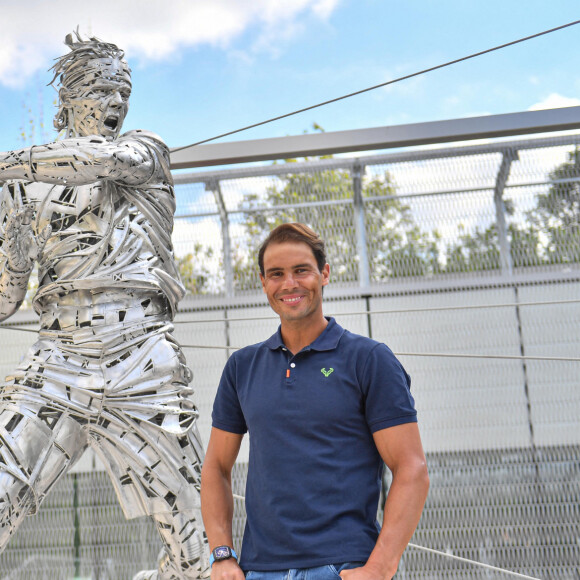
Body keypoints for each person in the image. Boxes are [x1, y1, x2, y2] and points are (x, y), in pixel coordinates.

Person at [0, 32, 209, 579]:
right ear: (68, 97)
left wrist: (9, 160)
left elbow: (97, 160)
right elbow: (4, 302)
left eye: (123, 91)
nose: (117, 103)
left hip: (141, 360)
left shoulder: (144, 152)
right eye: (102, 89)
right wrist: (15, 264)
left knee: (200, 536)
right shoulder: (20, 191)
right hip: (58, 359)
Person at [201, 223, 430, 580]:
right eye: (276, 274)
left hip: (343, 568)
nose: (289, 284)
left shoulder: (369, 359)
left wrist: (381, 567)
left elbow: (412, 469)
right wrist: (222, 554)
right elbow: (215, 467)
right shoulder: (241, 367)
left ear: (324, 274)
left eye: (301, 271)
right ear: (263, 282)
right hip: (258, 570)